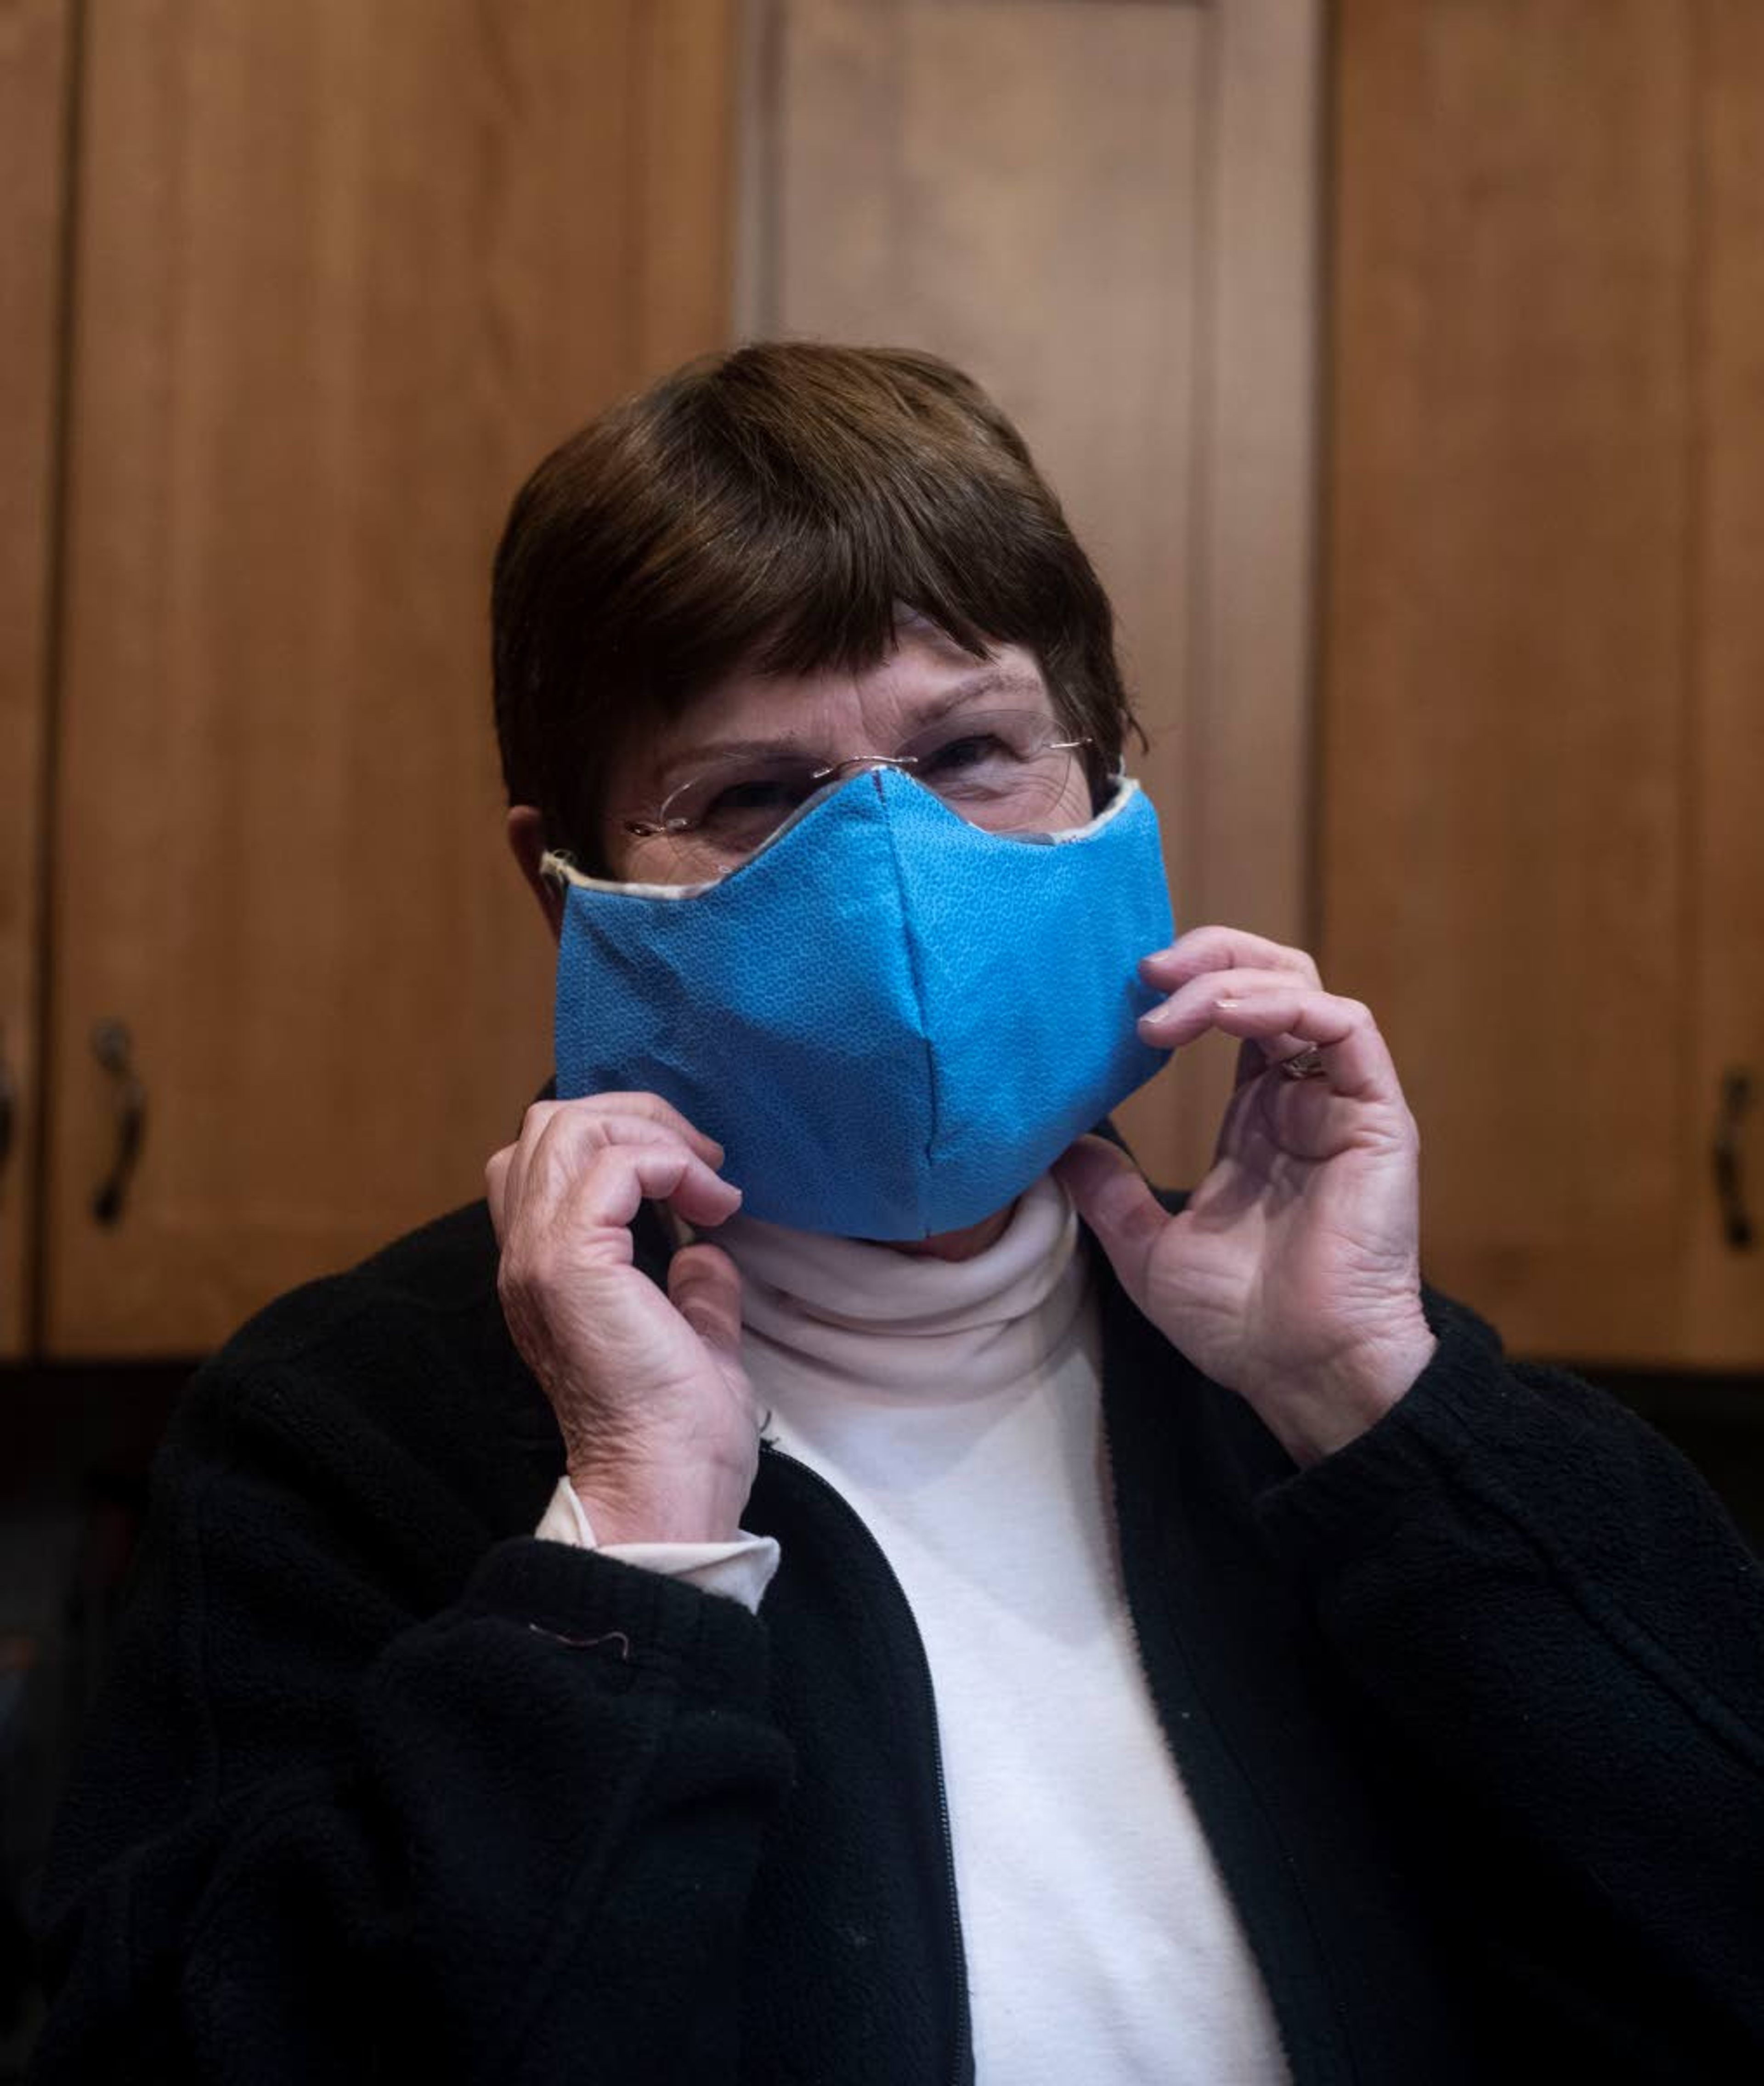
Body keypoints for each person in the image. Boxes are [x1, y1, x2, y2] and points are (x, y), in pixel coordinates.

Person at [27, 344, 1764, 2085]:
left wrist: (1383, 1404)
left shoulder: (1298, 1371)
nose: (892, 875)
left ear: (1109, 777)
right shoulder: (343, 1434)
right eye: (755, 798)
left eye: (970, 751)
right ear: (567, 893)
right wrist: (630, 1554)